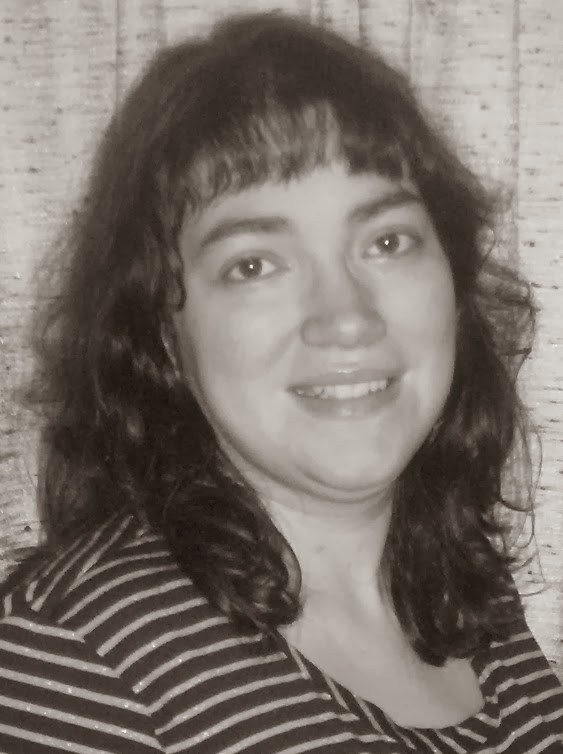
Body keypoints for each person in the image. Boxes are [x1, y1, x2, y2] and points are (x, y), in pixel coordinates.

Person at [0, 10, 561, 753]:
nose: (347, 318)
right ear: (164, 334)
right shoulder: (78, 659)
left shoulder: (467, 600)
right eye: (254, 264)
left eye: (387, 241)